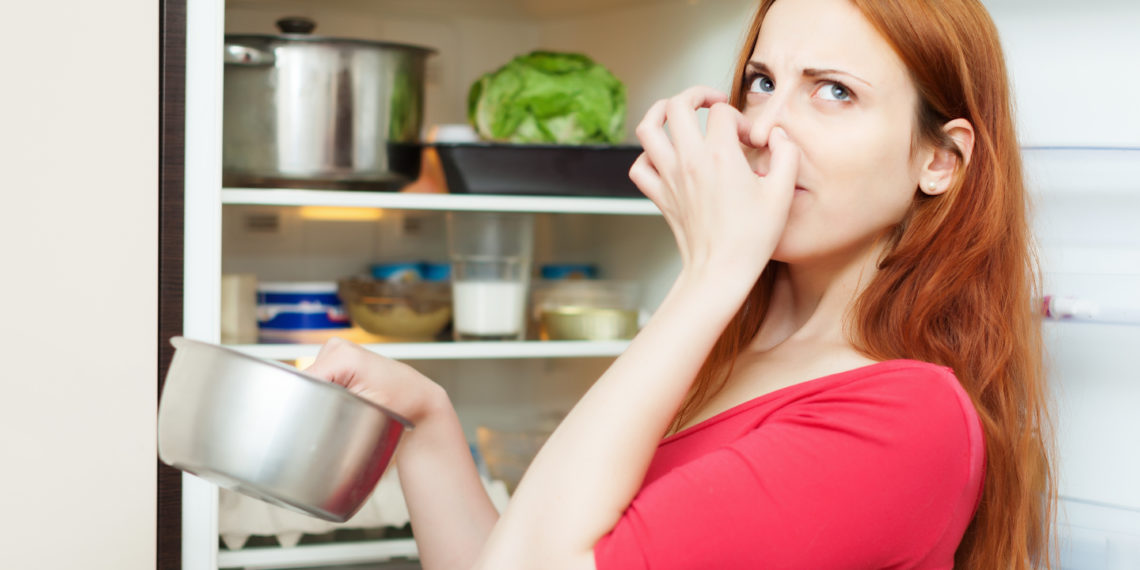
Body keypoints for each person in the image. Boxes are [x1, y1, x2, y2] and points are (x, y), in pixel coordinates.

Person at [304, 0, 1055, 567]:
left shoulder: (904, 419)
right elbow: (534, 549)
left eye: (834, 93)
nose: (765, 128)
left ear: (940, 161)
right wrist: (424, 423)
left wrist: (712, 270)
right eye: (762, 82)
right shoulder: (723, 355)